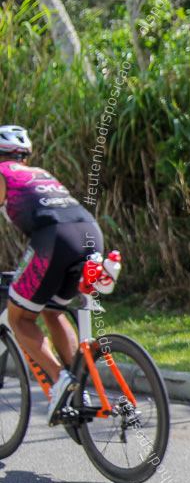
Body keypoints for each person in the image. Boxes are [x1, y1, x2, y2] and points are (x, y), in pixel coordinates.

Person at [0, 125, 103, 425]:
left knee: (19, 317)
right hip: (89, 233)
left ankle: (61, 380)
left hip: (55, 239)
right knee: (51, 310)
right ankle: (78, 389)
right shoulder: (40, 173)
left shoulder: (2, 174)